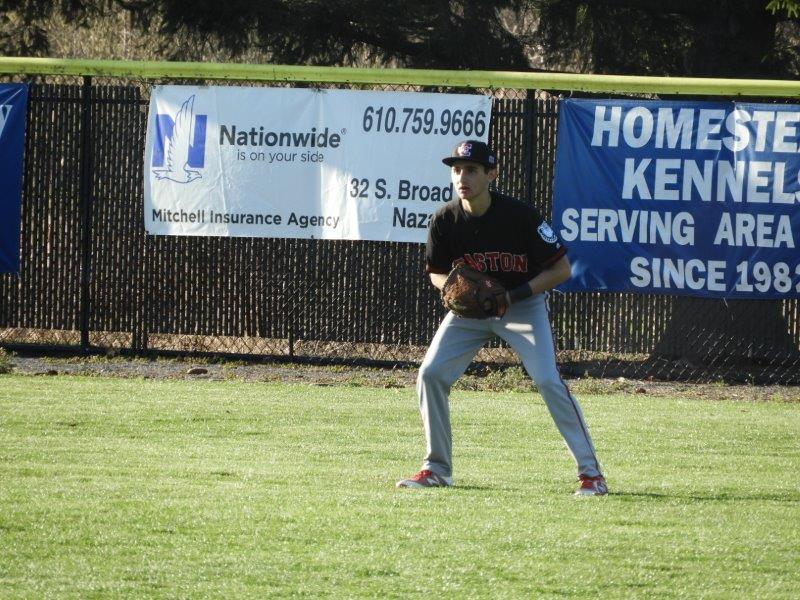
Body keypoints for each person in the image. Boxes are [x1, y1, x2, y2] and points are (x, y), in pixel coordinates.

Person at [396, 140, 607, 496]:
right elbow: (435, 272)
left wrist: (512, 296)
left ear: (492, 174)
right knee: (431, 374)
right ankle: (436, 469)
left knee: (547, 381)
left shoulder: (519, 216)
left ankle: (592, 475)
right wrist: (452, 287)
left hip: (521, 306)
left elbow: (561, 269)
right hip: (472, 311)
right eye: (457, 169)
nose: (463, 176)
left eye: (473, 170)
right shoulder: (444, 219)